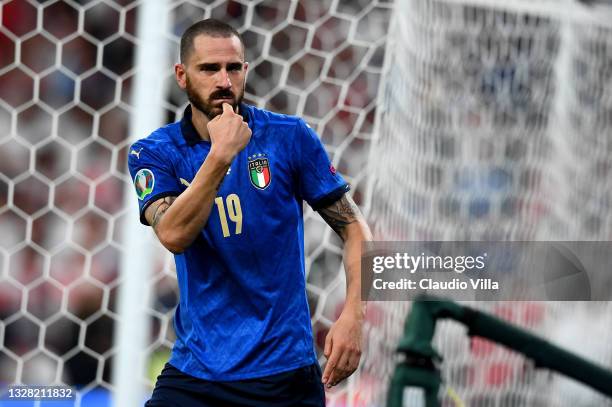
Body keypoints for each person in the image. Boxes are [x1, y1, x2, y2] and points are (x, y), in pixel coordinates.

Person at [128, 18, 372, 407]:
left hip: (285, 374)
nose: (223, 81)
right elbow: (173, 234)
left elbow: (355, 228)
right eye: (209, 69)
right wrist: (221, 154)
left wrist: (354, 317)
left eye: (233, 67)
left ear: (245, 70)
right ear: (182, 75)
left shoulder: (288, 137)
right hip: (197, 373)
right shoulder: (154, 152)